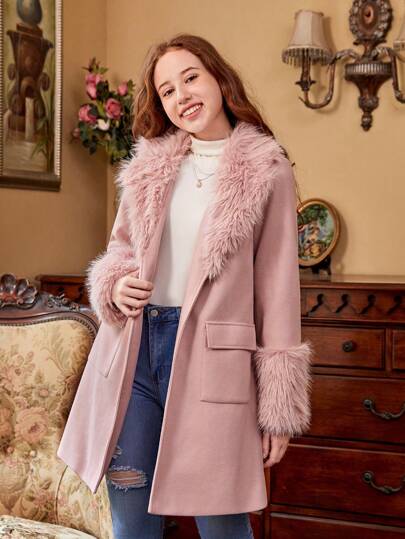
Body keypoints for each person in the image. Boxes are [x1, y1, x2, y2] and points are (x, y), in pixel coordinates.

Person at [66, 32, 313, 539]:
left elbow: (277, 292)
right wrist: (114, 285)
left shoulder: (268, 169)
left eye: (190, 78)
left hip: (213, 363)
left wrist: (278, 411)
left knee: (222, 524)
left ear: (218, 77)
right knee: (131, 525)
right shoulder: (149, 167)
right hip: (133, 354)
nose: (182, 96)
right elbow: (120, 249)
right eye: (167, 91)